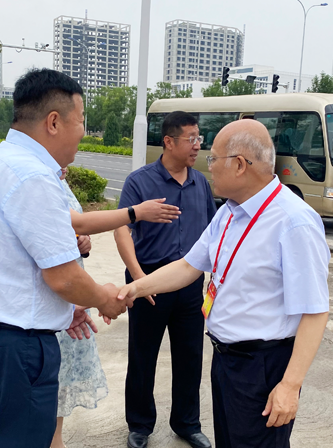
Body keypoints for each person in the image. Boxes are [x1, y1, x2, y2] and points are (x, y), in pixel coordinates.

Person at [117, 119, 330, 448]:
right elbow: (188, 266)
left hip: (263, 367)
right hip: (226, 359)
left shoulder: (294, 221)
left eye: (214, 158)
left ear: (240, 165)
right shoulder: (229, 212)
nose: (208, 165)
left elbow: (315, 312)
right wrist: (134, 289)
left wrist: (290, 385)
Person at [0, 68, 128, 448]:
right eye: (81, 121)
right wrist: (103, 298)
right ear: (54, 122)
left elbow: (14, 264)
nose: (84, 131)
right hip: (17, 347)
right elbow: (63, 277)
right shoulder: (32, 176)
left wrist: (66, 309)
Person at [52, 168, 181, 448]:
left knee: (59, 378)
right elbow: (78, 225)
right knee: (44, 382)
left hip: (71, 303)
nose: (68, 164)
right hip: (51, 302)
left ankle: (55, 440)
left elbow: (76, 228)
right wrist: (135, 213)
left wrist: (82, 245)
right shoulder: (36, 182)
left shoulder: (60, 183)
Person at [113, 111, 217, 448]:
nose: (197, 145)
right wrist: (139, 278)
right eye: (191, 139)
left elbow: (213, 233)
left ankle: (187, 423)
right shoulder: (140, 182)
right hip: (149, 281)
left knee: (190, 355)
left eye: (199, 138)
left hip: (189, 284)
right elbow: (122, 229)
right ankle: (140, 424)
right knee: (143, 356)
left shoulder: (200, 184)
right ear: (169, 141)